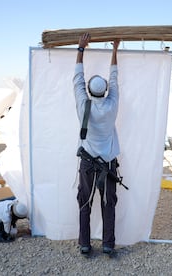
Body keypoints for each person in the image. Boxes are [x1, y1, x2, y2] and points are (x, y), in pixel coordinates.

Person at [73, 33, 121, 257]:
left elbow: (77, 79)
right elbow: (114, 78)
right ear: (105, 92)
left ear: (90, 92)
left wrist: (81, 49)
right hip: (108, 165)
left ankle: (85, 244)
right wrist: (114, 50)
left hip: (88, 163)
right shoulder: (112, 105)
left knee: (85, 203)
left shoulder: (84, 105)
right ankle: (108, 245)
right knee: (108, 204)